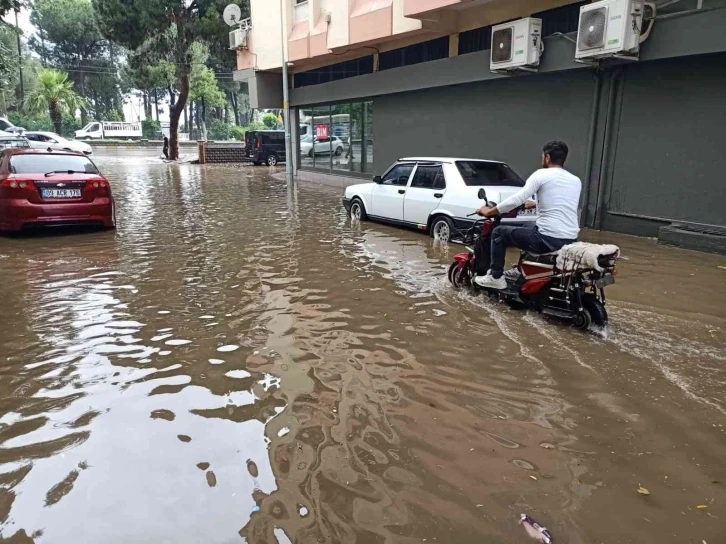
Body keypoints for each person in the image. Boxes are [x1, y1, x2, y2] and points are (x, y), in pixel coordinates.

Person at [474, 141, 581, 290]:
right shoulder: (575, 180)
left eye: (543, 156)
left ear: (547, 157)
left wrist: (490, 211)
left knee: (499, 232)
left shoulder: (541, 174)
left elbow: (516, 199)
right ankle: (520, 269)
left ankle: (495, 277)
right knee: (527, 226)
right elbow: (562, 203)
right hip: (570, 239)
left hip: (547, 240)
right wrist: (536, 204)